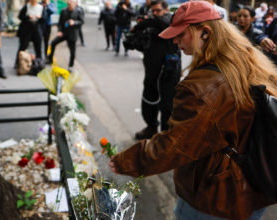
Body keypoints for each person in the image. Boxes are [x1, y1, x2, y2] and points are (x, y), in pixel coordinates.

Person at [109, 1, 277, 219]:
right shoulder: (246, 58)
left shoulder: (203, 85)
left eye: (181, 34)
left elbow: (175, 145)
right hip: (253, 188)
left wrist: (128, 160)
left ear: (205, 32)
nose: (175, 40)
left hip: (215, 197)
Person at [134, 0, 181, 140]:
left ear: (166, 10)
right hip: (151, 71)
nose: (155, 14)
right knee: (149, 99)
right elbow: (142, 43)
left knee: (167, 104)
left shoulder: (170, 20)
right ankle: (151, 127)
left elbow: (162, 25)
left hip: (168, 71)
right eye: (152, 11)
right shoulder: (151, 23)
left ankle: (164, 137)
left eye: (158, 10)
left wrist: (143, 24)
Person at [46, 0, 84, 72]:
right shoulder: (64, 11)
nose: (70, 4)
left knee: (72, 52)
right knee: (53, 42)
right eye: (68, 3)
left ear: (74, 4)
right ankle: (50, 59)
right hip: (64, 33)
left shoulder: (78, 11)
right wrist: (60, 31)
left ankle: (71, 66)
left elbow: (81, 21)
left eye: (71, 3)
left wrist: (74, 22)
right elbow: (59, 23)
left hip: (72, 34)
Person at [14, 0, 43, 69]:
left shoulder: (40, 7)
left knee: (38, 47)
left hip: (36, 29)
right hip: (27, 29)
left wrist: (39, 18)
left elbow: (43, 19)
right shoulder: (26, 6)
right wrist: (28, 17)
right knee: (23, 46)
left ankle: (39, 63)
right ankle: (18, 63)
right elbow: (20, 16)